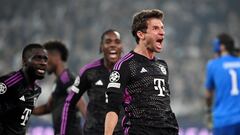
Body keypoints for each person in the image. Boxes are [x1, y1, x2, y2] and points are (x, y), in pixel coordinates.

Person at [104, 9, 179, 135]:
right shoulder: (125, 65)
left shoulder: (162, 66)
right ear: (141, 34)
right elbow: (112, 108)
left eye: (162, 28)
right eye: (155, 28)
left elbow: (164, 104)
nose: (162, 32)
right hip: (140, 131)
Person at [60, 29, 124, 135]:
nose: (113, 45)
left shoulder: (129, 70)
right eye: (108, 42)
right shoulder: (89, 71)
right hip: (94, 131)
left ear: (121, 47)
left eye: (117, 42)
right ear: (101, 46)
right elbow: (69, 102)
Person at [32, 41, 86, 135]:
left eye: (46, 58)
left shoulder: (65, 78)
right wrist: (27, 109)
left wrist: (94, 125)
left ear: (57, 57)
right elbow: (48, 107)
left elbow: (79, 101)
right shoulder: (58, 82)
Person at [0, 43, 48, 135]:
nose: (43, 63)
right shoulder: (9, 82)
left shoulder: (37, 90)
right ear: (25, 61)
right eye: (37, 58)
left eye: (45, 59)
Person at [205, 33, 240, 135]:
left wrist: (208, 111)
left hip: (223, 120)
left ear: (222, 46)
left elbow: (208, 95)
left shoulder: (213, 64)